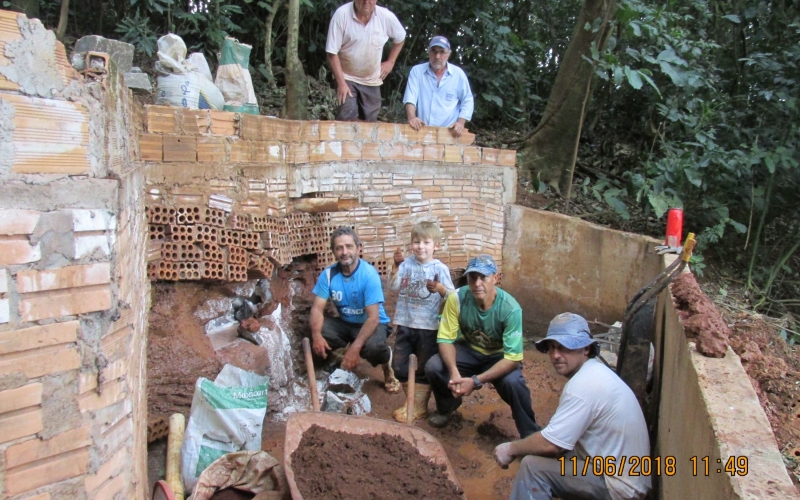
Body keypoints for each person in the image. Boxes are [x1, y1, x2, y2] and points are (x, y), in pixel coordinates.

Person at [493, 313, 652, 500]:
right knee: (557, 457)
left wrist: (510, 449)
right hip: (624, 476)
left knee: (532, 467)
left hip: (620, 486)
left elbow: (551, 444)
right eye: (551, 348)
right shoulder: (595, 372)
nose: (555, 355)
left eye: (564, 347)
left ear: (585, 349)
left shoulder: (584, 385)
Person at [424, 254, 540, 438]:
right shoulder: (457, 298)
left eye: (483, 277)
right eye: (473, 277)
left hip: (498, 356)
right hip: (469, 350)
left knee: (514, 383)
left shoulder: (510, 308)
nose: (477, 283)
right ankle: (447, 408)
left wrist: (476, 381)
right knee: (434, 366)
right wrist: (454, 373)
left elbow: (512, 358)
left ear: (496, 277)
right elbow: (445, 339)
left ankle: (530, 434)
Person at [310, 226, 401, 393]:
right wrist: (316, 335)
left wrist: (355, 348)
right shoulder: (328, 274)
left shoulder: (368, 274)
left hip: (374, 324)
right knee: (319, 329)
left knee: (372, 348)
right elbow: (317, 309)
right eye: (339, 248)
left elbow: (373, 318)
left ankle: (387, 364)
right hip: (346, 324)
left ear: (359, 248)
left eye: (349, 246)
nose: (345, 252)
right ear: (333, 251)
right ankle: (341, 357)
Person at [387, 221, 455, 423]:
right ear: (411, 245)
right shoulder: (406, 264)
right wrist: (396, 267)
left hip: (428, 327)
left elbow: (453, 296)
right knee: (399, 367)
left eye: (426, 242)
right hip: (406, 323)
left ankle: (419, 407)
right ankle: (411, 402)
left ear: (436, 246)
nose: (421, 247)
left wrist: (441, 289)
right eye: (416, 242)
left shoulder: (440, 268)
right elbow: (392, 286)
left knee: (423, 369)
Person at [326, 0, 406, 122]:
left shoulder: (385, 17)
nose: (366, 2)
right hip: (346, 77)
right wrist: (341, 83)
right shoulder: (341, 15)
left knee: (371, 123)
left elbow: (400, 37)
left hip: (372, 79)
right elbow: (332, 52)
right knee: (346, 116)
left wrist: (390, 62)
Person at [403, 36, 474, 137]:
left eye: (442, 52)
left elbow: (467, 100)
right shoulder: (417, 71)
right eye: (434, 51)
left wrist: (460, 123)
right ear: (429, 52)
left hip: (450, 133)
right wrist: (412, 118)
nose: (437, 56)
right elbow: (410, 98)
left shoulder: (458, 74)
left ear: (448, 54)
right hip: (422, 131)